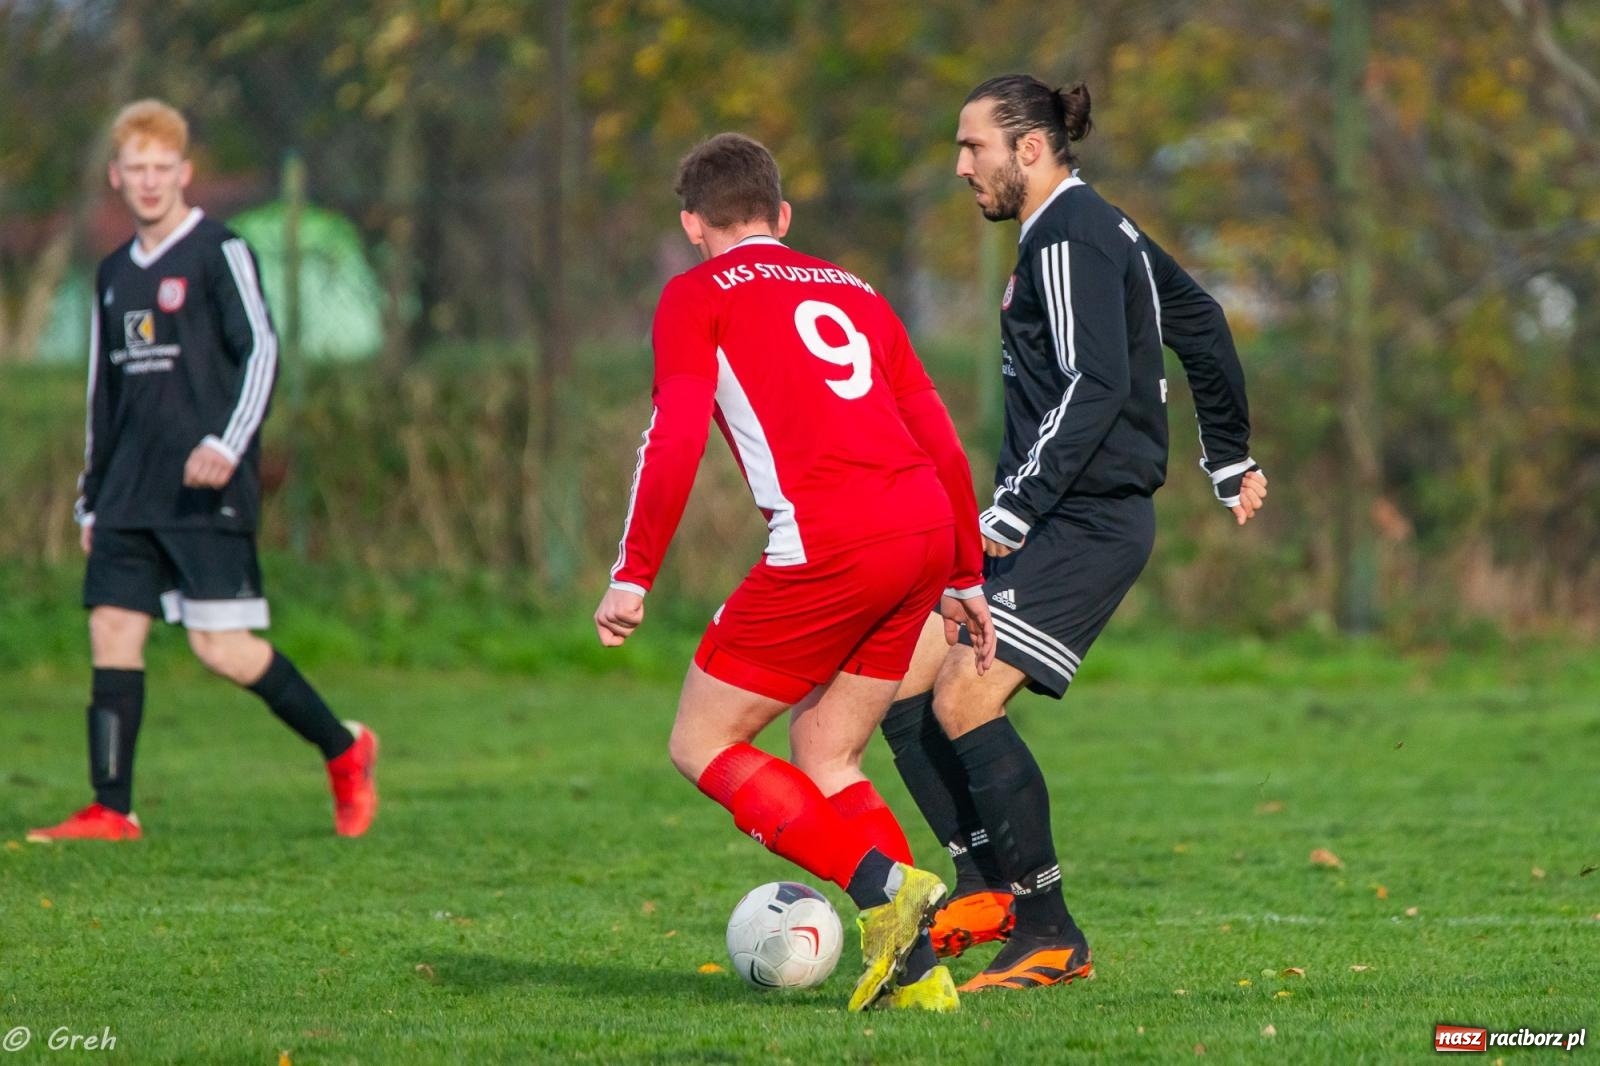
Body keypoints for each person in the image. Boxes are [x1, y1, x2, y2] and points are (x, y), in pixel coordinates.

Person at [878, 75, 1269, 993]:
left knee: (964, 698)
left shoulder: (1065, 235)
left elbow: (1096, 385)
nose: (961, 166)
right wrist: (1227, 455)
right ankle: (985, 889)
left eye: (973, 146)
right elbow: (1202, 322)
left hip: (1082, 519)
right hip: (1066, 510)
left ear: (1030, 148)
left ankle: (1049, 933)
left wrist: (1016, 504)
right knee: (902, 683)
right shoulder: (1101, 227)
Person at [594, 133, 996, 1012]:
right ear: (781, 215)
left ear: (692, 224)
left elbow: (674, 435)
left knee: (701, 742)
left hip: (833, 541)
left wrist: (634, 572)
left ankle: (887, 888)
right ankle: (919, 980)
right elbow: (937, 432)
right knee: (827, 751)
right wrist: (965, 569)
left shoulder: (696, 293)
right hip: (924, 529)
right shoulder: (857, 291)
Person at [27, 100, 378, 843]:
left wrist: (228, 443)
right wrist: (91, 496)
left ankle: (343, 748)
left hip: (203, 487)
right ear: (116, 176)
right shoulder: (112, 274)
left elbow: (262, 350)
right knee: (112, 628)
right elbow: (102, 394)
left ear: (184, 172)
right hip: (128, 489)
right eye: (137, 169)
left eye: (163, 168)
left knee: (222, 649)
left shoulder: (220, 251)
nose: (150, 181)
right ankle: (112, 808)